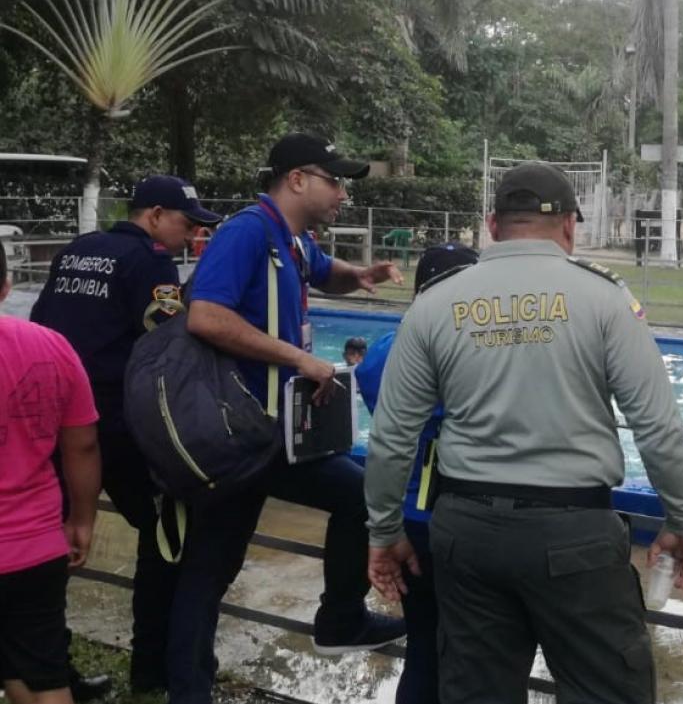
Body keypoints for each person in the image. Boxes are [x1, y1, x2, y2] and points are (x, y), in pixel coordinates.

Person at [365, 162, 683, 703]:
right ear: (571, 226)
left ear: (492, 224)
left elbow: (391, 438)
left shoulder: (434, 305)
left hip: (466, 536)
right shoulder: (605, 300)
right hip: (575, 536)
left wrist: (383, 532)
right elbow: (658, 428)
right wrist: (682, 519)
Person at [173, 133, 405, 704]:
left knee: (361, 495)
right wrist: (300, 358)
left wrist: (364, 274)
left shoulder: (295, 242)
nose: (343, 194)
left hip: (274, 438)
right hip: (238, 436)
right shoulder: (247, 231)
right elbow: (204, 316)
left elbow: (329, 273)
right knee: (209, 569)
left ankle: (340, 620)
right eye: (335, 181)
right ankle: (188, 690)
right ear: (297, 179)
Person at [28, 175, 221, 695]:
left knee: (47, 555)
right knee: (165, 537)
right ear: (155, 215)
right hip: (121, 425)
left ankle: (49, 671)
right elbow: (171, 343)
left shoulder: (79, 250)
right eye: (185, 224)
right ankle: (152, 667)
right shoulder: (152, 261)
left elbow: (43, 321)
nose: (188, 237)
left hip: (58, 421)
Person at [356, 242, 478, 704]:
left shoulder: (386, 351)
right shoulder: (468, 350)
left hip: (409, 514)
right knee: (471, 651)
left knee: (425, 645)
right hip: (461, 516)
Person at [0, 241, 102, 704]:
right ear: (6, 285)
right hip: (35, 545)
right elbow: (82, 444)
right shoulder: (50, 345)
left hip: (29, 541)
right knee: (39, 667)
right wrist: (82, 518)